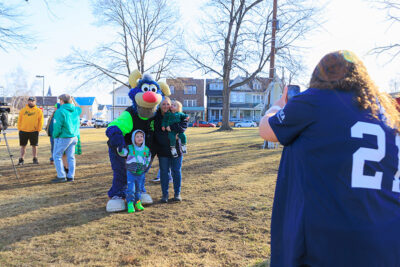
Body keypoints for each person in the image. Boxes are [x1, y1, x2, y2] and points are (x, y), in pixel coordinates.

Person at [259, 50, 400, 267]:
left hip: (335, 243)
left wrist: (277, 106)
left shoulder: (315, 100)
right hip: (389, 237)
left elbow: (267, 131)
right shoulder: (386, 112)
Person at [153, 97, 188, 203]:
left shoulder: (177, 114)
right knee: (164, 173)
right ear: (160, 105)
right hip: (163, 150)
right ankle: (165, 195)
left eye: (168, 104)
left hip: (176, 149)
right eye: (163, 104)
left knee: (176, 171)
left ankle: (177, 194)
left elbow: (183, 126)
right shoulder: (157, 117)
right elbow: (157, 133)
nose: (166, 106)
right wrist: (170, 136)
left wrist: (173, 129)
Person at [118, 130, 151, 213]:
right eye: (137, 136)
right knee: (131, 189)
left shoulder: (146, 149)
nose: (140, 138)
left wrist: (145, 167)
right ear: (133, 138)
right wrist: (120, 149)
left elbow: (148, 159)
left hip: (141, 173)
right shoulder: (129, 148)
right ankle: (130, 203)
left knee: (138, 189)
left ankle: (137, 202)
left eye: (141, 136)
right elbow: (122, 153)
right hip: (131, 173)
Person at [51, 94, 82, 183]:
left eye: (60, 100)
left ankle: (61, 176)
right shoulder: (76, 110)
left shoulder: (60, 111)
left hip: (64, 136)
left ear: (62, 101)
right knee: (71, 157)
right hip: (74, 136)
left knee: (57, 156)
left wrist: (55, 135)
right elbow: (78, 108)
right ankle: (70, 176)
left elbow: (57, 126)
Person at [17, 96, 44, 165]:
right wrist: (20, 128)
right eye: (29, 101)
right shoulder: (23, 110)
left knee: (34, 146)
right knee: (23, 146)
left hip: (34, 131)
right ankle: (21, 159)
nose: (31, 102)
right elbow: (19, 120)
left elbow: (41, 121)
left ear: (35, 102)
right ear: (28, 101)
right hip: (23, 131)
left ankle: (35, 158)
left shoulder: (38, 111)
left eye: (32, 101)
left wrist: (38, 129)